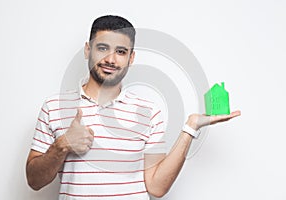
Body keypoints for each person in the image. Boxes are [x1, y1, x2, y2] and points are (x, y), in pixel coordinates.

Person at [26, 15, 241, 199]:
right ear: (87, 50)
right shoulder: (54, 107)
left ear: (131, 58)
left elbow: (156, 187)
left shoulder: (148, 112)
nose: (110, 59)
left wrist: (191, 127)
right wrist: (62, 145)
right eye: (102, 48)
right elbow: (34, 181)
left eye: (120, 51)